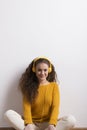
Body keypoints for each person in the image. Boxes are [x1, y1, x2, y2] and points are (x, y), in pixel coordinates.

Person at [4, 56, 76, 130]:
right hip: (32, 124)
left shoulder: (54, 86)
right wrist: (29, 123)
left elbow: (55, 107)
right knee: (8, 114)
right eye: (39, 70)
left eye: (45, 70)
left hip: (48, 125)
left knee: (71, 120)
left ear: (49, 70)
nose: (42, 73)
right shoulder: (28, 86)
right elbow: (26, 107)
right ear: (34, 70)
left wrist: (52, 124)